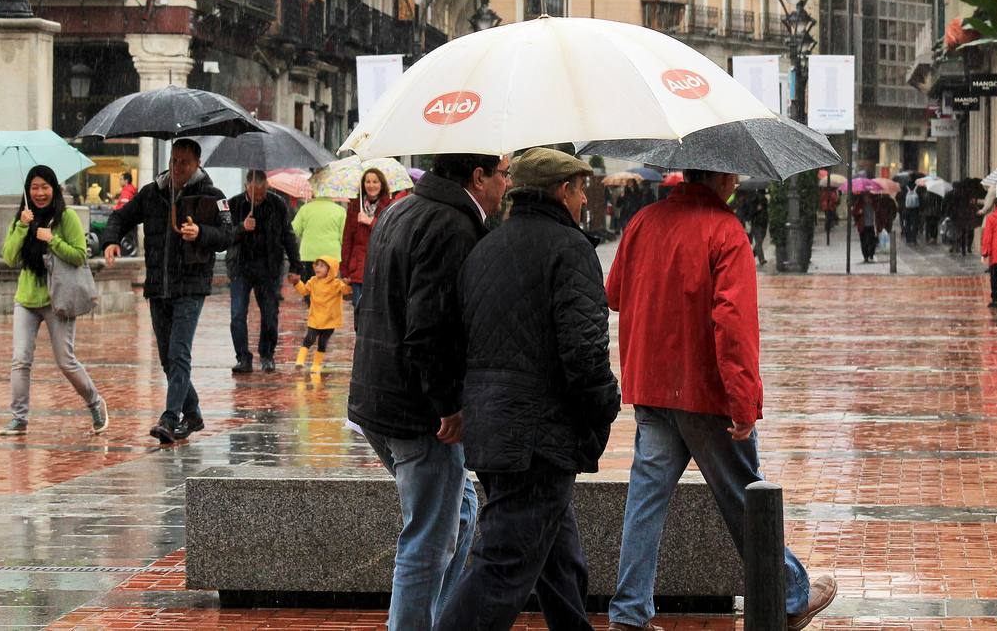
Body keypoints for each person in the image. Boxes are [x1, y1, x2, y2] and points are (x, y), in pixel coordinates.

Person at [605, 168, 837, 631]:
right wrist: (743, 402)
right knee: (745, 495)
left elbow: (614, 295)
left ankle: (629, 612)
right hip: (706, 392)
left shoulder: (644, 221)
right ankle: (791, 596)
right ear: (723, 175)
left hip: (651, 384)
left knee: (645, 500)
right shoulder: (725, 231)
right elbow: (733, 325)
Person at [435, 149, 621, 630]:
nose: (583, 199)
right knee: (501, 568)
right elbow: (584, 351)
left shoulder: (487, 246)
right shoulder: (569, 248)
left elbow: (460, 338)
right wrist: (605, 404)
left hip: (495, 428)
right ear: (562, 191)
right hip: (539, 434)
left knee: (560, 563)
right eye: (580, 189)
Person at [347, 152, 511, 631]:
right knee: (427, 543)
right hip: (418, 413)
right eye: (503, 174)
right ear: (478, 177)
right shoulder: (451, 227)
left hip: (378, 398)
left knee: (458, 510)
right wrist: (449, 406)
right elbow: (429, 331)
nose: (507, 185)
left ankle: (439, 619)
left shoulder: (401, 209)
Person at [101, 139, 234, 444]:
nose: (178, 168)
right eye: (175, 161)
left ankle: (170, 418)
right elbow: (120, 216)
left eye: (185, 162)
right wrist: (111, 239)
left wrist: (201, 233)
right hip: (158, 287)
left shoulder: (213, 196)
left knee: (178, 352)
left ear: (197, 163)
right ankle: (194, 413)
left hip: (191, 285)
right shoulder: (152, 193)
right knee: (166, 358)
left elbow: (228, 235)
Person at [0, 165, 108, 437]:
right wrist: (23, 227)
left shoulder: (66, 217)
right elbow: (9, 257)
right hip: (26, 298)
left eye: (44, 187)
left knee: (65, 361)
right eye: (34, 187)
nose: (39, 193)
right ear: (27, 191)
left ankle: (95, 402)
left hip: (57, 298)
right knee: (20, 360)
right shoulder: (22, 218)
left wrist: (53, 240)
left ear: (54, 189)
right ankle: (19, 418)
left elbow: (80, 255)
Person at [227, 169, 301, 373]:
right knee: (237, 314)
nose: (259, 197)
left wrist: (296, 265)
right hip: (240, 267)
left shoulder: (278, 204)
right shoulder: (233, 205)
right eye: (255, 194)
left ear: (267, 187)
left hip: (269, 268)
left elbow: (288, 235)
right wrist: (242, 227)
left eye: (262, 193)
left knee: (270, 314)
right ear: (246, 188)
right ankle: (243, 357)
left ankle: (267, 355)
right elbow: (224, 237)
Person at [340, 167, 392, 308]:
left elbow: (390, 234)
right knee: (359, 308)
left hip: (380, 265)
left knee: (377, 308)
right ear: (363, 185)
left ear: (381, 184)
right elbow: (347, 240)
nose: (371, 185)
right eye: (368, 182)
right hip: (358, 267)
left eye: (375, 181)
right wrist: (344, 269)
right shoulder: (354, 207)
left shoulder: (389, 206)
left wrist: (371, 222)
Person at [294, 256, 352, 376]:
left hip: (330, 320)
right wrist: (297, 283)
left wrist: (347, 284)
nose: (318, 268)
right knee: (309, 338)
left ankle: (316, 365)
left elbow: (346, 292)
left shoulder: (336, 283)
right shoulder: (313, 281)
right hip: (315, 317)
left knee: (322, 342)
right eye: (317, 265)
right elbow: (304, 291)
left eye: (322, 265)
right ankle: (300, 361)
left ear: (330, 269)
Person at [291, 191, 346, 280]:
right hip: (331, 256)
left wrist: (304, 233)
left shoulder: (305, 209)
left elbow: (294, 231)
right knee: (329, 290)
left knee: (309, 289)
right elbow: (343, 237)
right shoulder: (340, 211)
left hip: (309, 255)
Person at [852, 191, 879, 262]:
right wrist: (858, 212)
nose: (866, 198)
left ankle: (871, 255)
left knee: (872, 241)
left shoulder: (874, 203)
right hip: (862, 226)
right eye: (865, 196)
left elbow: (878, 211)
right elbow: (854, 212)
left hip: (871, 225)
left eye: (868, 196)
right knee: (863, 242)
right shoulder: (859, 203)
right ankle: (865, 256)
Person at [750, 191, 770, 266]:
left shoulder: (765, 201)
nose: (762, 196)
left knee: (759, 243)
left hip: (764, 224)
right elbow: (751, 213)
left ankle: (749, 257)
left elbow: (766, 213)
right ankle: (761, 259)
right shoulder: (754, 201)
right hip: (756, 225)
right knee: (759, 242)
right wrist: (756, 209)